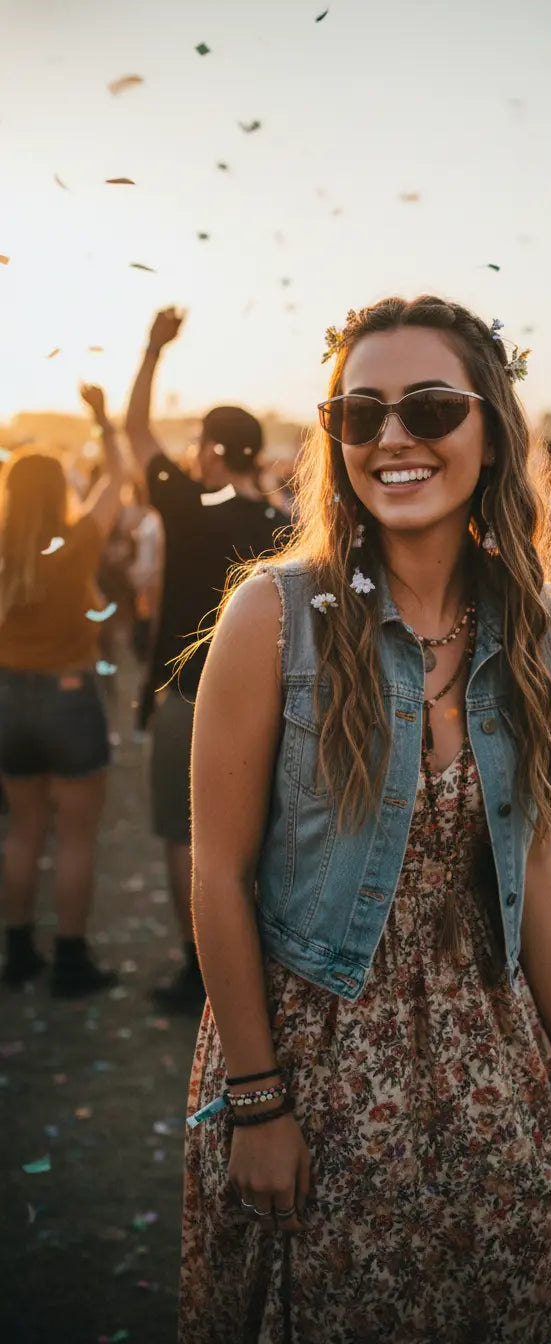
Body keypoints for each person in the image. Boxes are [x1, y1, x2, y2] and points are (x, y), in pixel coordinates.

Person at [180, 297, 551, 1343]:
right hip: (314, 1048)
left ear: (491, 431)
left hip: (488, 1042)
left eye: (430, 408)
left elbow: (526, 855)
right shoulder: (273, 615)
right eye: (360, 413)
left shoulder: (540, 629)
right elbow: (217, 875)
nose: (393, 437)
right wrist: (257, 1101)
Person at [125, 308, 288, 1013]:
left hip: (189, 699)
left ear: (215, 452)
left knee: (186, 839)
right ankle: (257, 960)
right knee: (257, 838)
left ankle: (200, 969)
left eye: (200, 446)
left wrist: (153, 351)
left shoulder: (190, 507)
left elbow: (134, 434)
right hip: (276, 706)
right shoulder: (287, 524)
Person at [0, 386, 124, 995]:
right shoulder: (75, 547)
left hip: (7, 697)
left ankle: (18, 951)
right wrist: (103, 420)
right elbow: (118, 482)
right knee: (76, 837)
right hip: (68, 697)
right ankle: (71, 960)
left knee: (23, 831)